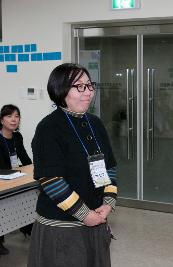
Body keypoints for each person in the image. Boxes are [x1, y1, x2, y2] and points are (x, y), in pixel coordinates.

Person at [27, 63, 117, 267]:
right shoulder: (49, 128)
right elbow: (52, 181)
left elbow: (108, 167)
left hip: (96, 219)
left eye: (89, 85)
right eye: (79, 86)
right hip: (62, 226)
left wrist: (108, 203)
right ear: (61, 90)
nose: (88, 92)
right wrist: (85, 214)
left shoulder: (95, 123)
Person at [0, 104, 33, 256]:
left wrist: (33, 168)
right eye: (9, 116)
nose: (14, 120)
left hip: (14, 175)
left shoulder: (17, 137)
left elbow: (24, 158)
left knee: (29, 195)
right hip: (3, 178)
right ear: (1, 120)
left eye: (17, 116)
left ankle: (26, 227)